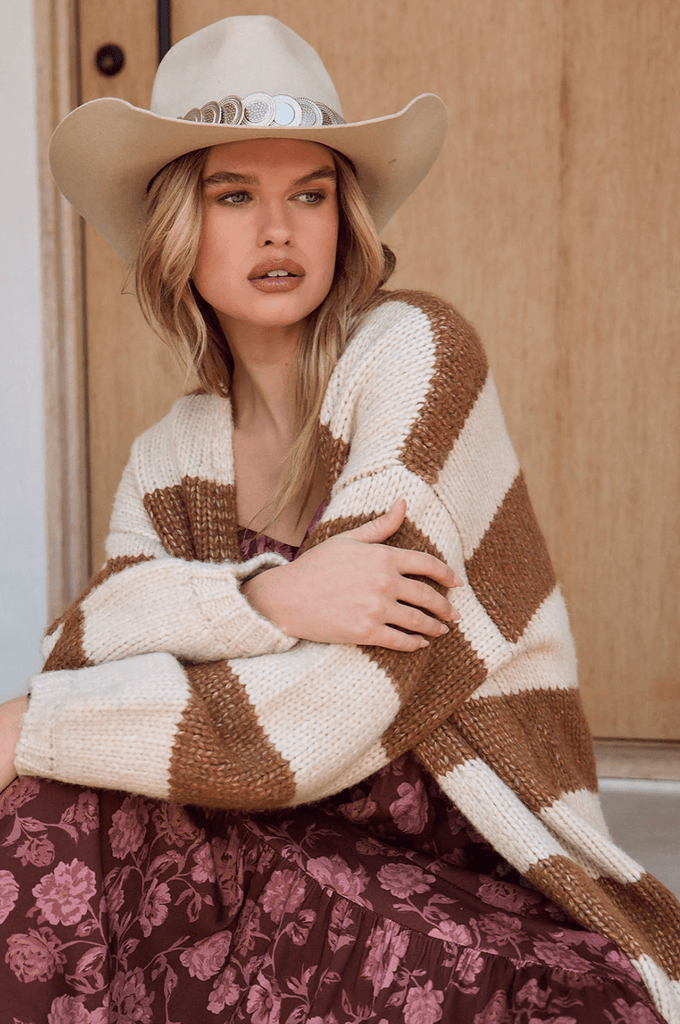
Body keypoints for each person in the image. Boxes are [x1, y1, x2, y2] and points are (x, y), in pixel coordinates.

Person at [0, 15, 678, 1024]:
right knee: (44, 811)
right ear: (178, 232)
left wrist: (34, 723)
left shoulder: (414, 354)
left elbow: (331, 712)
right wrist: (269, 594)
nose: (278, 230)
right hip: (261, 821)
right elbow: (82, 643)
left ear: (341, 218)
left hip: (459, 841)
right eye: (234, 195)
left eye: (307, 194)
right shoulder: (169, 455)